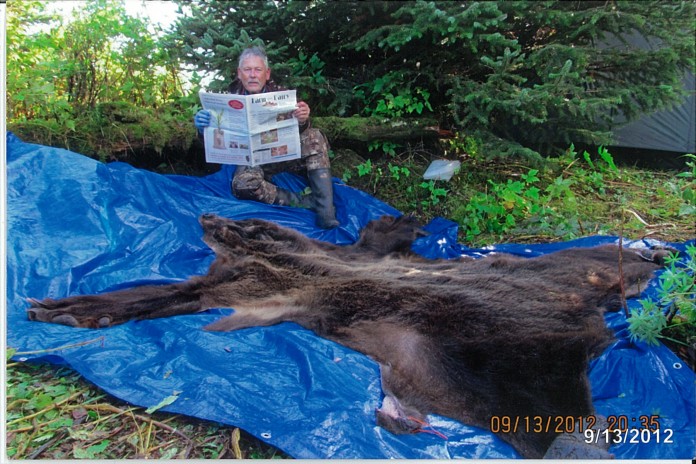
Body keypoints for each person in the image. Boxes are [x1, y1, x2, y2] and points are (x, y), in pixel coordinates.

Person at [193, 46, 340, 229]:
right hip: (252, 161)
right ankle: (302, 202)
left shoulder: (281, 95)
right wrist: (202, 128)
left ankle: (326, 211)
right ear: (239, 73)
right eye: (247, 70)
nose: (252, 75)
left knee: (315, 136)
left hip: (282, 154)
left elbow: (301, 132)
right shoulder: (225, 100)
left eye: (258, 69)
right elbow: (210, 143)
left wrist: (303, 119)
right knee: (243, 184)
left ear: (267, 73)